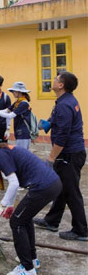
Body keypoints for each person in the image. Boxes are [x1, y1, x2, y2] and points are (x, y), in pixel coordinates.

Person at [0, 134, 61, 275]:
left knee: (16, 223)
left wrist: (1, 206)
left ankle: (27, 269)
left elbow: (14, 183)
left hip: (43, 187)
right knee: (24, 218)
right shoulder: (3, 150)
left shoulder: (0, 156)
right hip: (52, 183)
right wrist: (10, 205)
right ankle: (32, 258)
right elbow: (15, 180)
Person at [33, 72, 87, 241]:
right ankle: (52, 221)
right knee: (61, 189)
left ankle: (81, 230)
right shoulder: (66, 101)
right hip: (71, 153)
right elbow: (61, 122)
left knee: (71, 192)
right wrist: (48, 123)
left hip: (69, 154)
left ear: (61, 85)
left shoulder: (65, 105)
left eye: (56, 79)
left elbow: (63, 136)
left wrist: (51, 158)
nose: (53, 81)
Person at [0, 81, 32, 150]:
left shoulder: (24, 103)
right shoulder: (18, 102)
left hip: (24, 133)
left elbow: (10, 115)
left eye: (14, 91)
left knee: (22, 155)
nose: (13, 93)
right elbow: (6, 110)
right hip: (19, 131)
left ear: (19, 92)